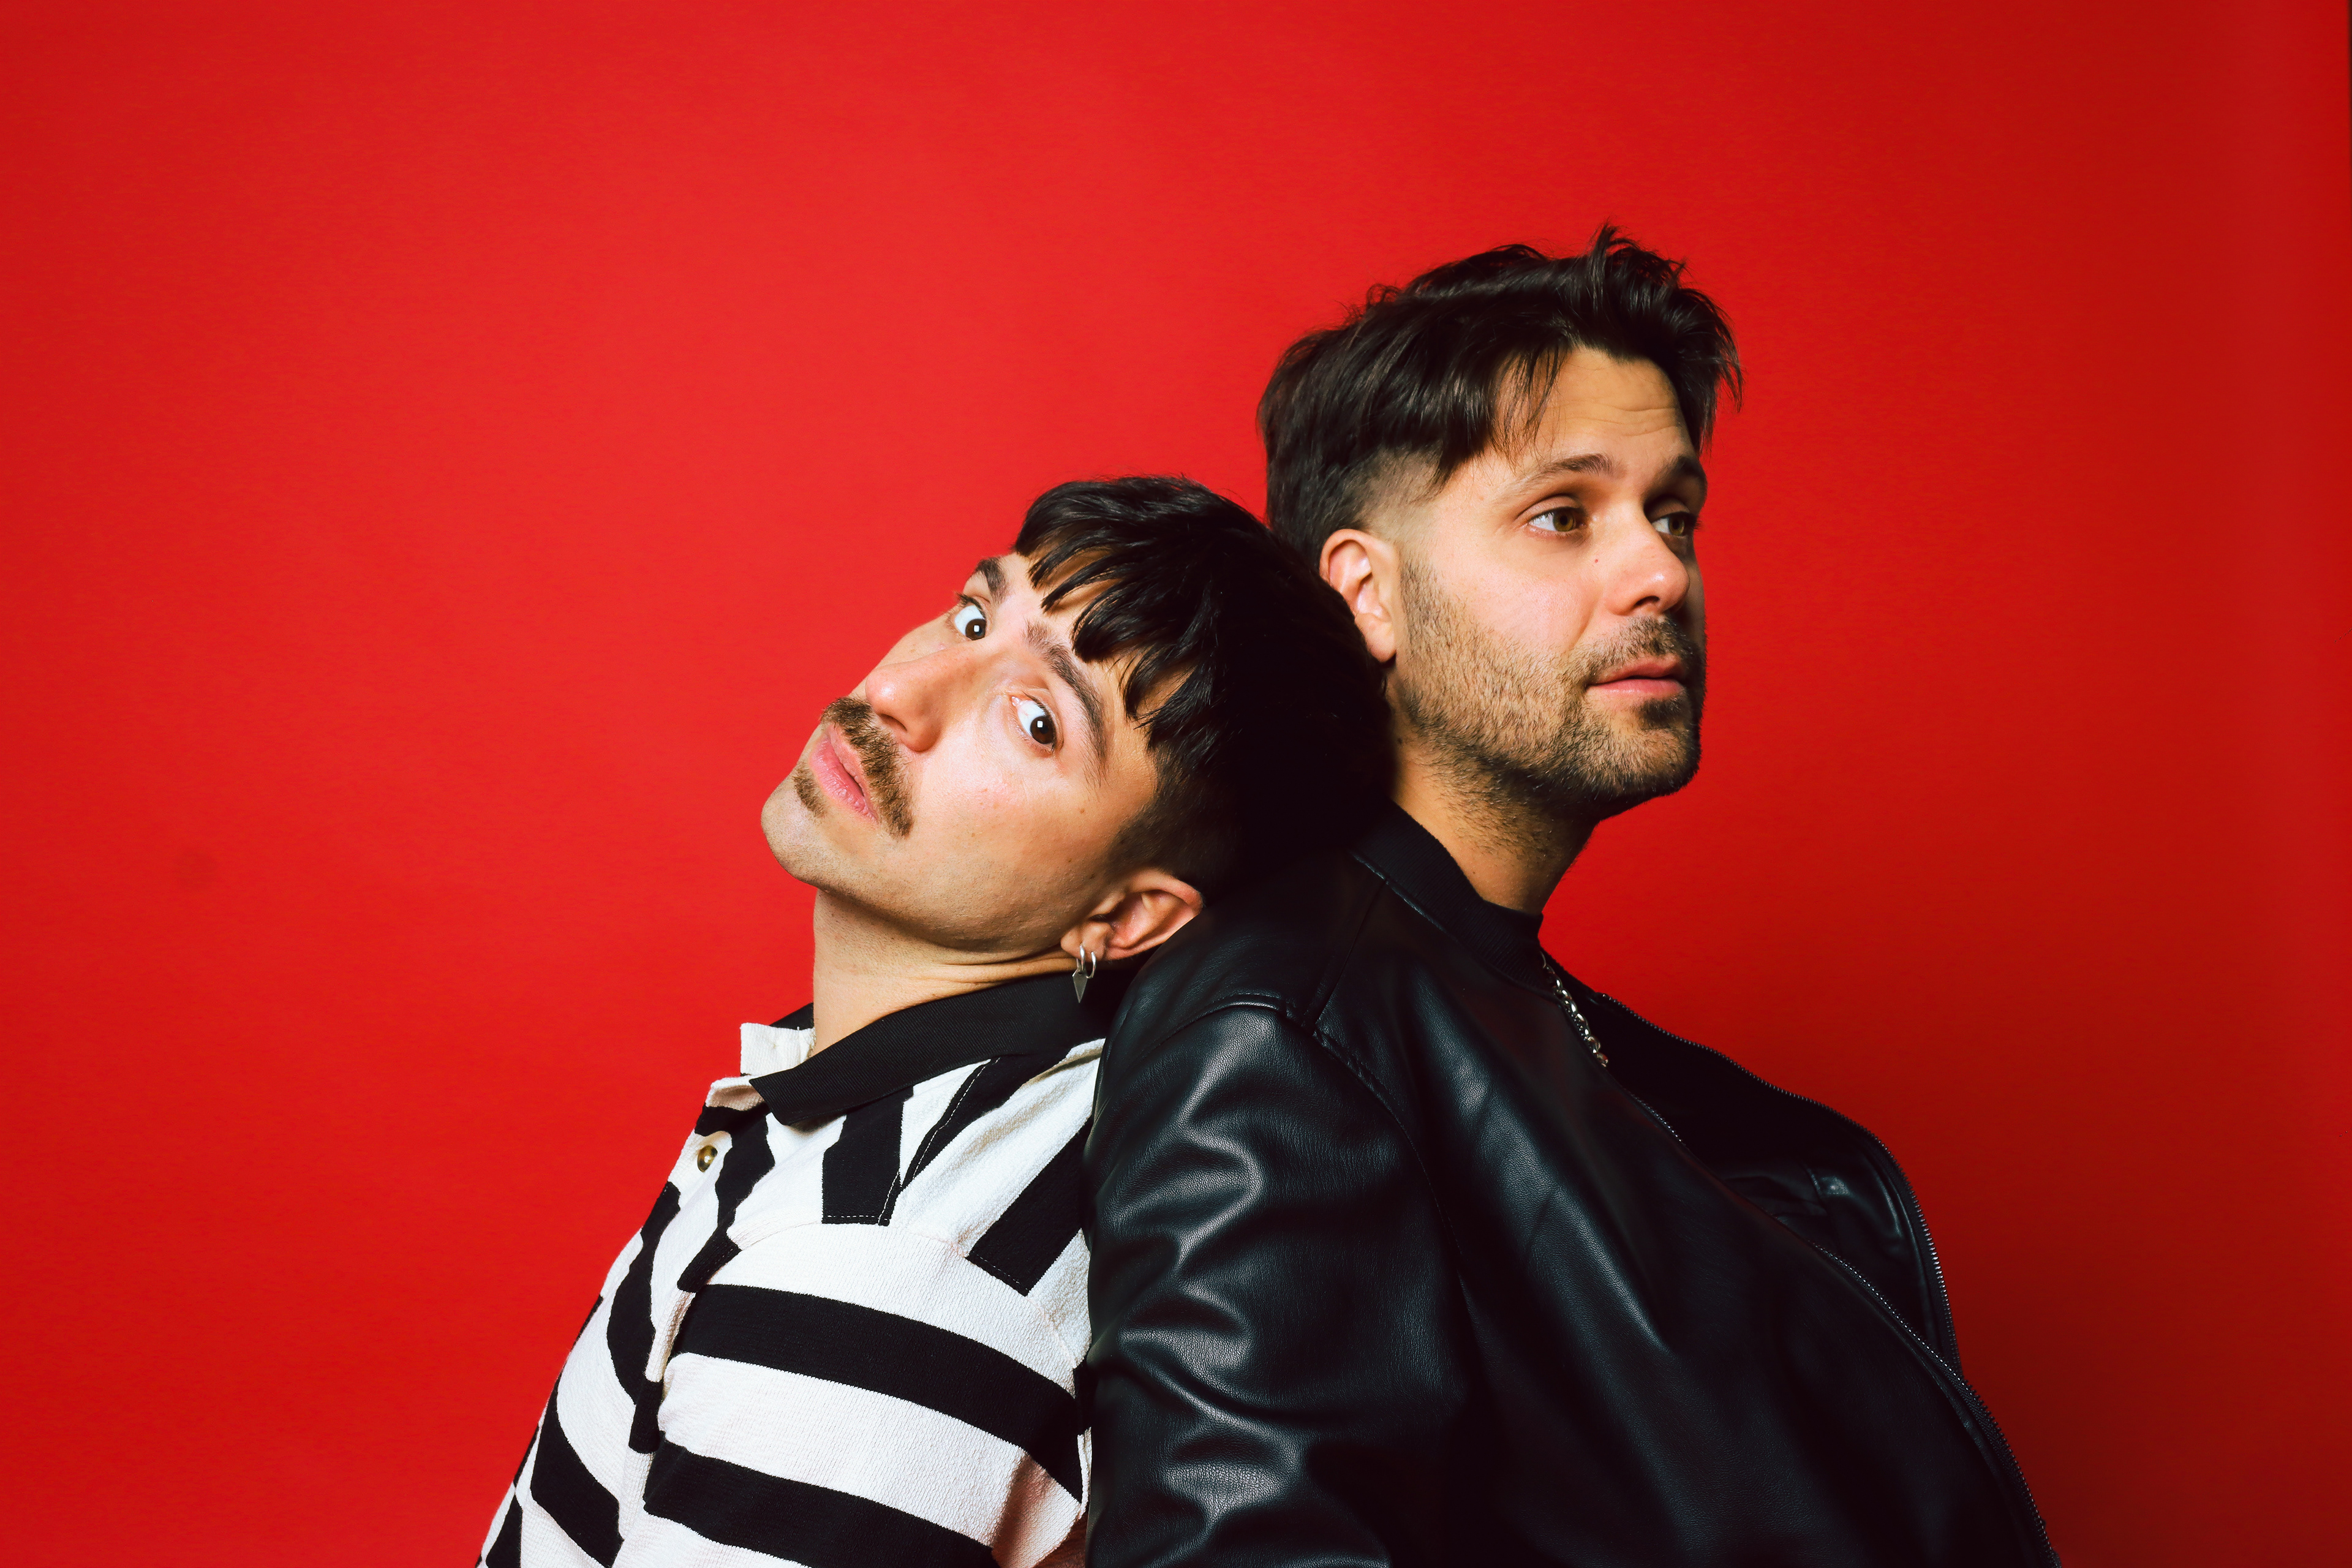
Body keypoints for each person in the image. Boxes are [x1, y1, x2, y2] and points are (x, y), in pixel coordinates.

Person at [1084, 233, 2057, 1566]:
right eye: (1564, 515)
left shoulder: (1535, 1025)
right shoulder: (1280, 1025)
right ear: (1368, 594)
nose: (1661, 573)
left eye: (1674, 514)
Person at [477, 477, 1388, 1568]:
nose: (900, 692)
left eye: (1038, 723)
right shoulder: (962, 1121)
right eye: (971, 617)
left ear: (1130, 915)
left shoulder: (878, 1273)